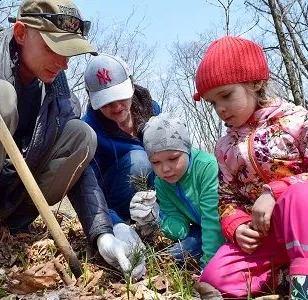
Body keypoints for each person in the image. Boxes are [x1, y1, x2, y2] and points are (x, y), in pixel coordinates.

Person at [0, 0, 146, 279]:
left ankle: (12, 228)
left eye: (69, 52)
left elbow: (80, 172)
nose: (63, 63)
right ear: (21, 33)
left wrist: (102, 233)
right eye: (52, 48)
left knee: (82, 135)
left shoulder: (58, 91)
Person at [193, 36, 308, 299]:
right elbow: (226, 197)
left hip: (304, 223)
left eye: (226, 95)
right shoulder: (225, 147)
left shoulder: (297, 122)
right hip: (267, 236)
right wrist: (236, 226)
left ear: (255, 83)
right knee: (214, 278)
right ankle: (284, 274)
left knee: (299, 196)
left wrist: (275, 191)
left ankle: (303, 285)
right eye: (212, 103)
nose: (220, 108)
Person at [128, 113, 224, 269]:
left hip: (225, 225)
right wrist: (158, 218)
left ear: (186, 149)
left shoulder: (206, 166)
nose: (165, 169)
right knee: (177, 254)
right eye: (156, 162)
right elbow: (181, 230)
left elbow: (213, 219)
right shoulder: (161, 182)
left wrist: (208, 268)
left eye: (173, 158)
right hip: (200, 229)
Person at [82, 53, 160, 226]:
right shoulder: (88, 131)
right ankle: (125, 222)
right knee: (140, 159)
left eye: (121, 97)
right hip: (113, 200)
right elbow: (90, 190)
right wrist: (114, 224)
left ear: (131, 86)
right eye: (107, 102)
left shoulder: (152, 110)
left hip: (153, 193)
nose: (117, 107)